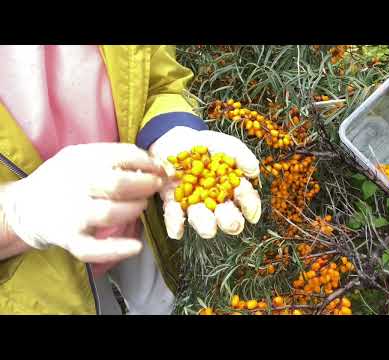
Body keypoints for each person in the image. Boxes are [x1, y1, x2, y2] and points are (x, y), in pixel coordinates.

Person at [0, 45, 261, 314]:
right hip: (32, 271)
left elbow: (159, 79)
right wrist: (14, 216)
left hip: (139, 203)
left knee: (161, 302)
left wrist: (170, 131)